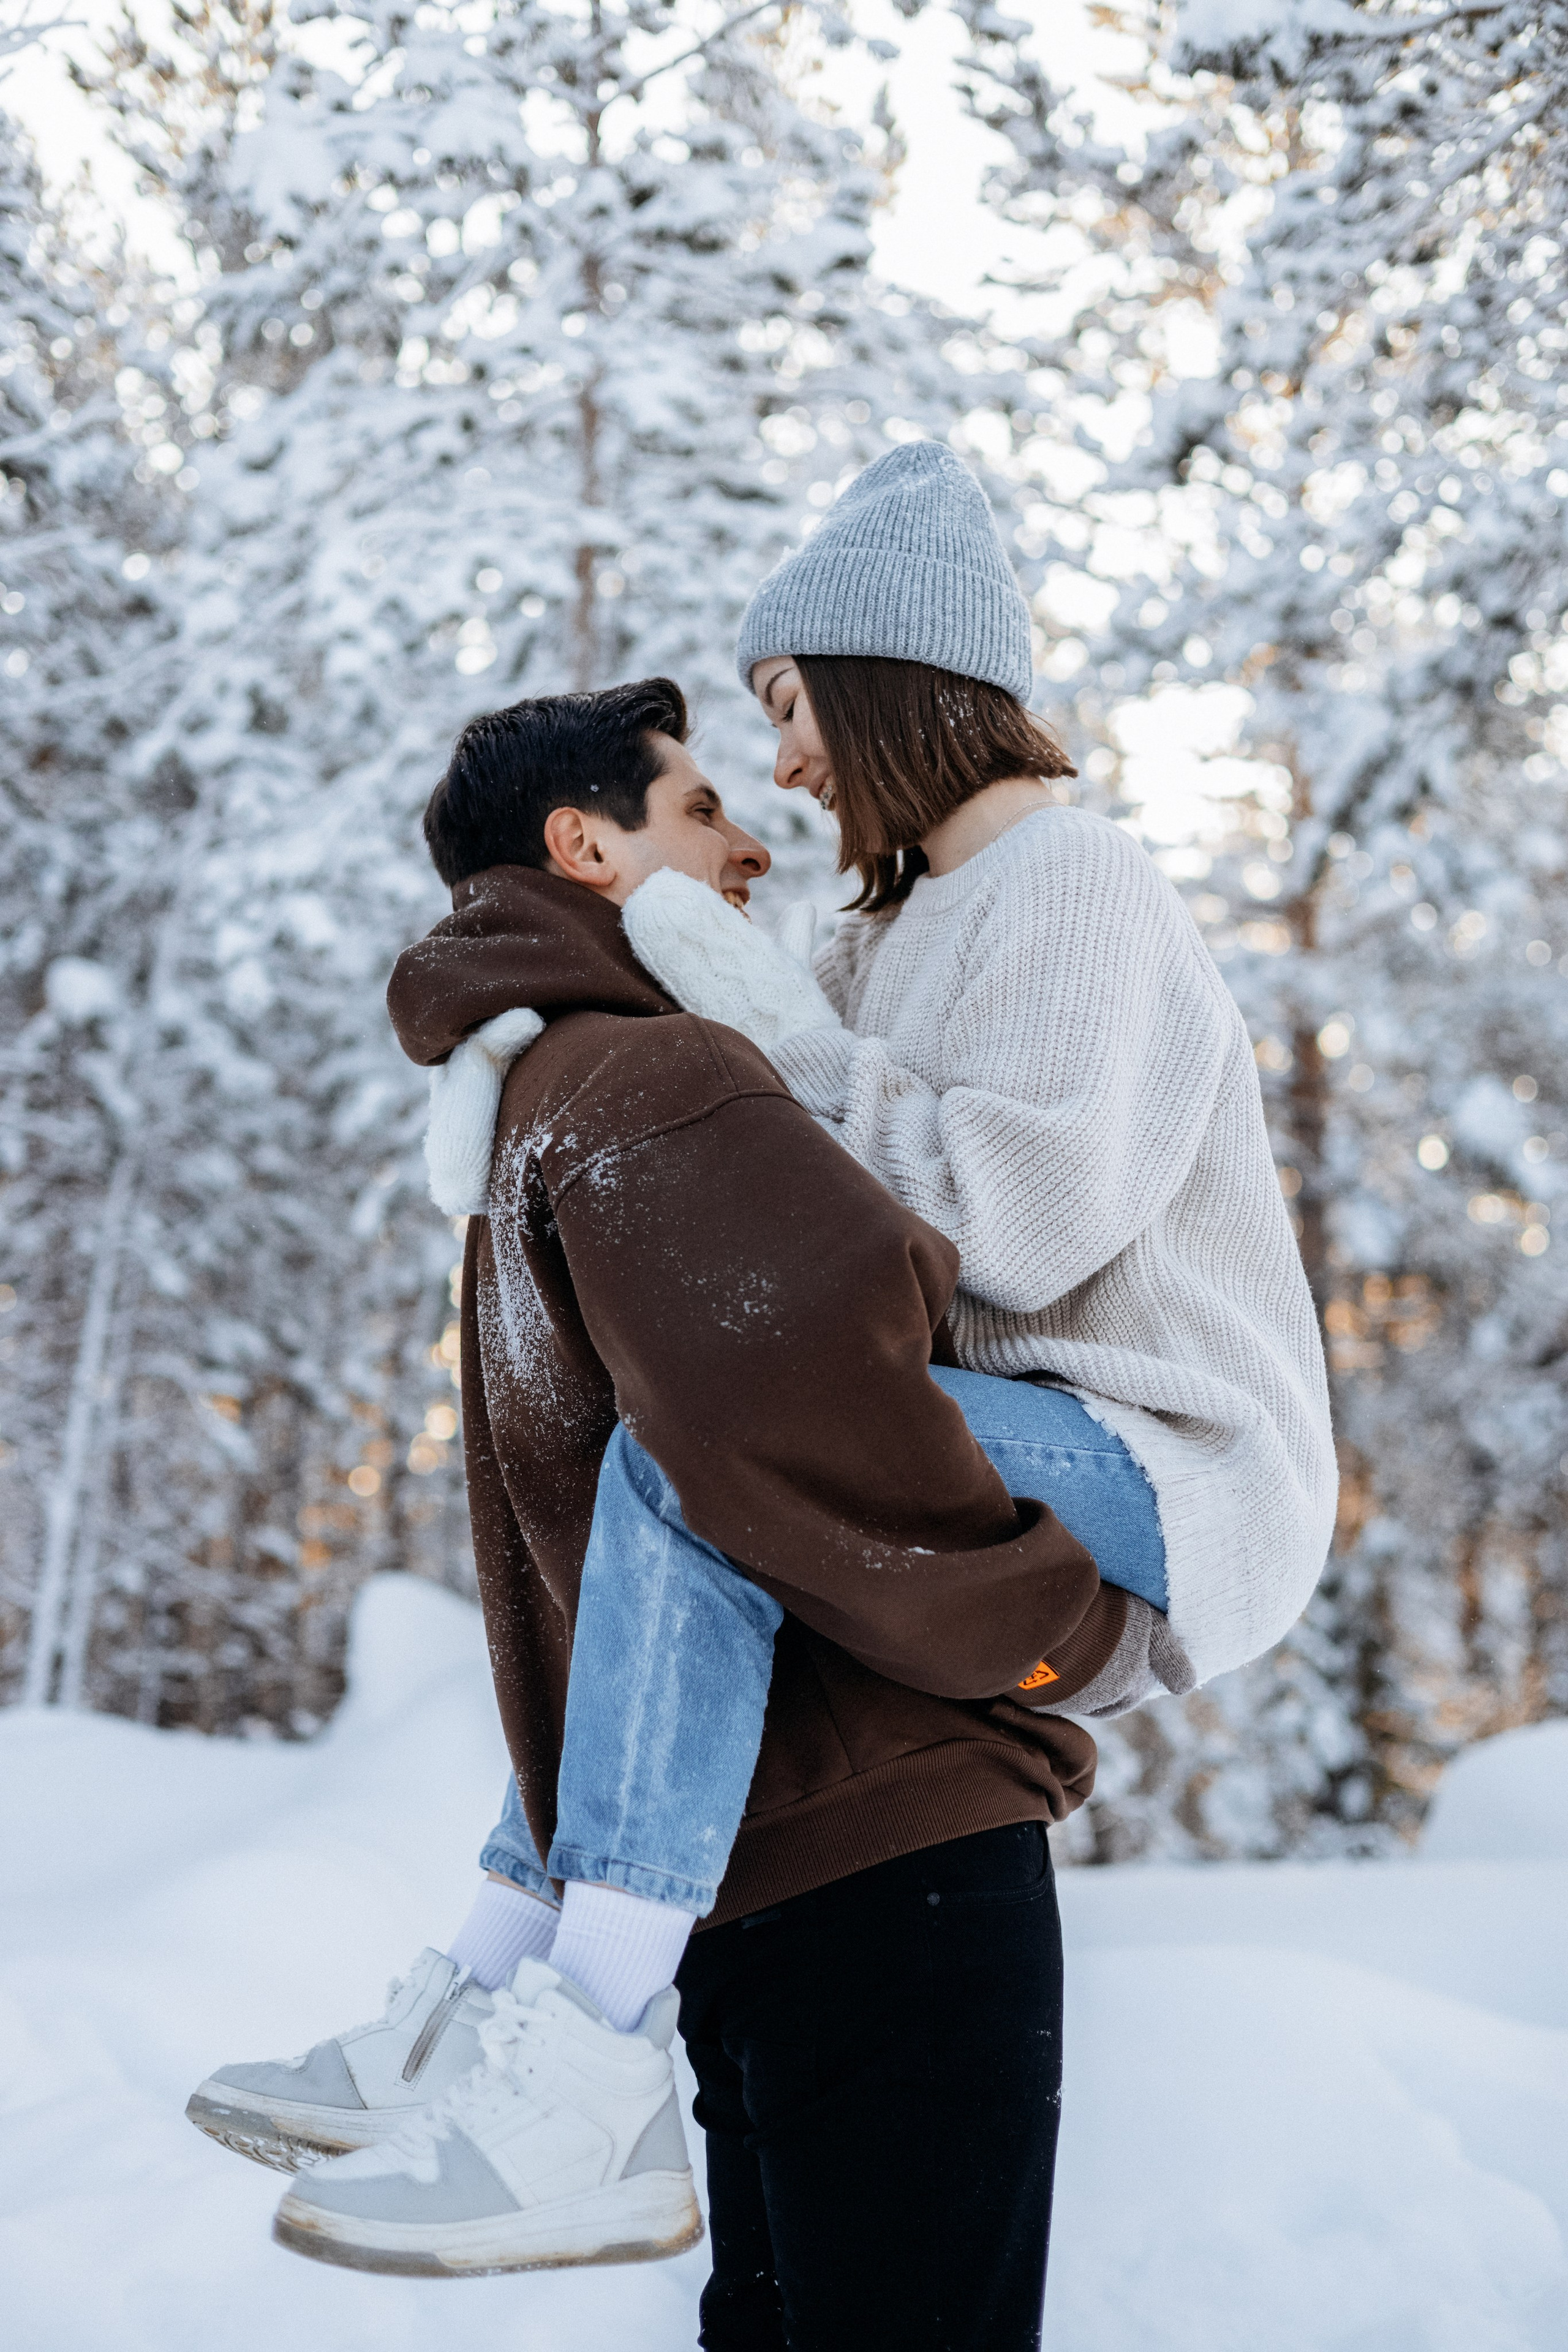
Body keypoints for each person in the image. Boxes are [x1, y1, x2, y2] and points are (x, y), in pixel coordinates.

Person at [189, 444, 1336, 2349]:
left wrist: (770, 1036)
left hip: (1163, 1452)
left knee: (696, 1468)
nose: (787, 770)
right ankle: (501, 1988)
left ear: (890, 682)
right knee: (688, 1471)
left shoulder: (1074, 881)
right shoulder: (880, 934)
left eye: (794, 710)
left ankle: (570, 2025)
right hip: (986, 1442)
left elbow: (1013, 1221)